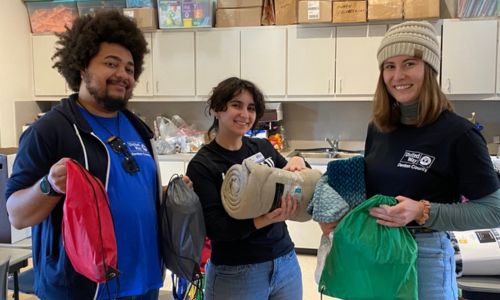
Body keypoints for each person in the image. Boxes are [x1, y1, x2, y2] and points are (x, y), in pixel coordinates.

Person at [6, 10, 171, 300]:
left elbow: (133, 193)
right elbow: (16, 215)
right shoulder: (50, 130)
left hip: (145, 283)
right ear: (83, 67)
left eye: (130, 69)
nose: (123, 75)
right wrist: (50, 185)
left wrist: (169, 196)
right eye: (111, 63)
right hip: (82, 289)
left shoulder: (138, 129)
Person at [362, 21, 500, 298]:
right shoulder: (378, 128)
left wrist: (422, 210)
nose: (398, 75)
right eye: (389, 66)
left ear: (430, 69)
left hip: (424, 255)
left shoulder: (459, 133)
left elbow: (494, 210)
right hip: (377, 249)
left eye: (409, 63)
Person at [186, 77, 306, 300]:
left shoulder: (262, 147)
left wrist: (299, 162)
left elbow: (292, 178)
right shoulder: (203, 164)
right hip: (236, 272)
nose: (245, 114)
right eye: (236, 105)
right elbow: (215, 228)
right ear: (216, 109)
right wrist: (266, 219)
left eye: (251, 108)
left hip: (285, 261)